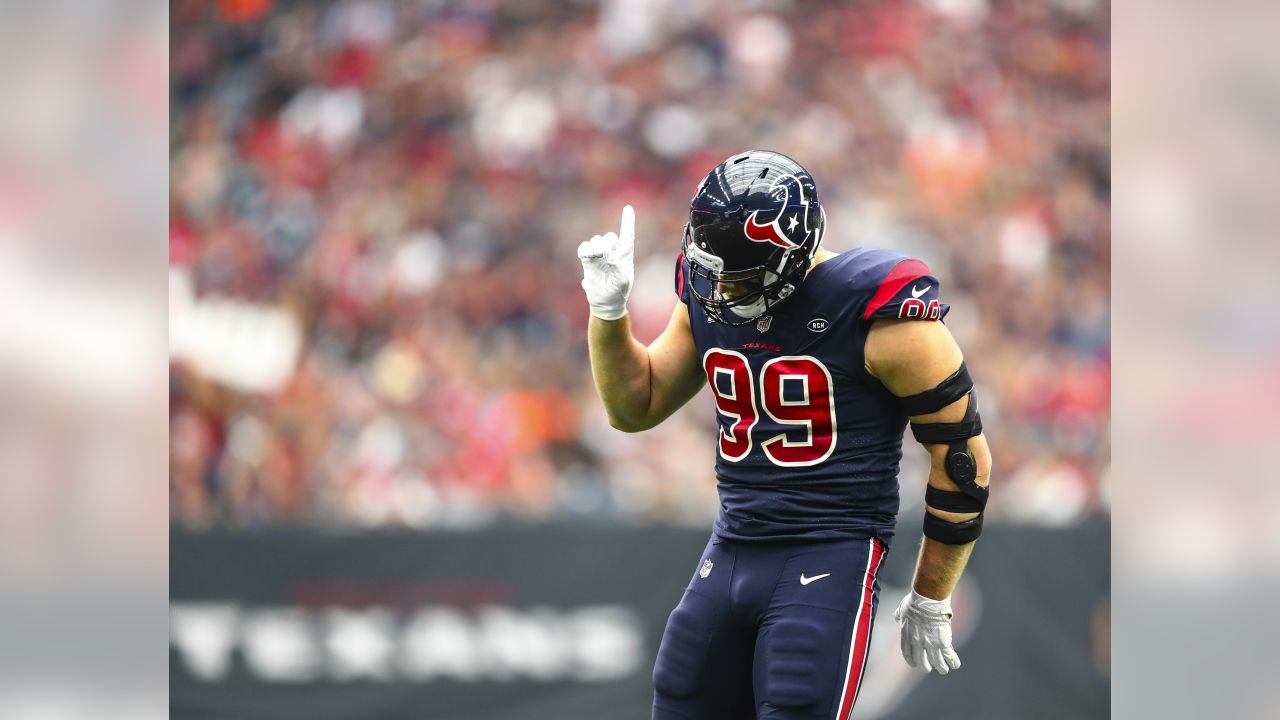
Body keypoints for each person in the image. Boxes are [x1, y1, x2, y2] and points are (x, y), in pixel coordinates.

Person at [577, 151, 992, 720]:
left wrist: (930, 595)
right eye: (717, 269)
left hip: (831, 551)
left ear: (793, 253)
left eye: (743, 274)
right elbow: (635, 406)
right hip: (730, 548)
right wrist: (608, 312)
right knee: (677, 699)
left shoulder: (878, 314)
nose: (723, 288)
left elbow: (964, 464)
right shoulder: (710, 287)